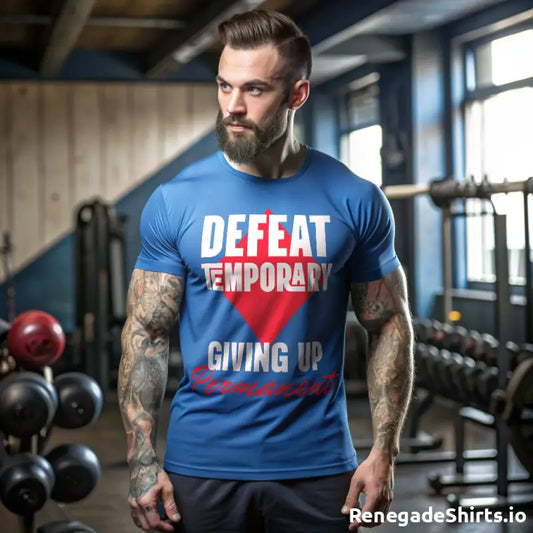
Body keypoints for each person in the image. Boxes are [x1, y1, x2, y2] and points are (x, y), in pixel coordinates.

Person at [118, 9, 414, 533]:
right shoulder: (175, 202)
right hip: (200, 467)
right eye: (224, 86)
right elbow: (146, 333)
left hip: (320, 468)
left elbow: (388, 324)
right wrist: (143, 463)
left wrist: (384, 451)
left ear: (297, 95)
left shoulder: (354, 199)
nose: (233, 107)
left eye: (254, 90)